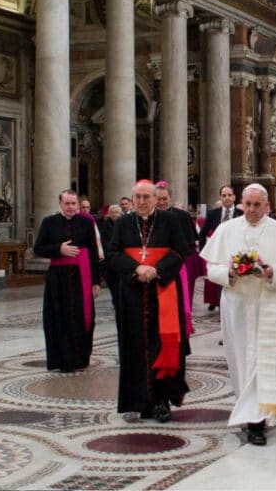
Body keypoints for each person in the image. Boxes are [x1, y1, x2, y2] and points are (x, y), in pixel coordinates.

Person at [200, 184, 276, 446]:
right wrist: (230, 273)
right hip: (235, 303)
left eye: (257, 205)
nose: (251, 210)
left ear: (267, 206)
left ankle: (257, 420)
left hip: (267, 303)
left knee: (262, 359)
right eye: (247, 204)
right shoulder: (227, 230)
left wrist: (272, 272)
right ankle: (246, 406)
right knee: (239, 357)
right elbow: (210, 268)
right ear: (241, 204)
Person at [106, 180, 193, 423]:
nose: (142, 202)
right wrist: (137, 268)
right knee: (132, 345)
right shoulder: (123, 222)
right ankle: (136, 401)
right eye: (138, 197)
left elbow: (180, 252)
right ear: (132, 199)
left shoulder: (170, 221)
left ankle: (161, 401)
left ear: (156, 199)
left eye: (147, 197)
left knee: (163, 345)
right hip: (132, 293)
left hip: (163, 290)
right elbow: (113, 254)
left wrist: (156, 270)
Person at [33, 189, 101, 372]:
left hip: (82, 276)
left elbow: (94, 252)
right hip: (58, 278)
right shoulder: (49, 222)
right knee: (58, 317)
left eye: (73, 203)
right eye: (67, 203)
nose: (71, 207)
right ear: (60, 204)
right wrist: (58, 249)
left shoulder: (86, 222)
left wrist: (96, 281)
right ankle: (61, 360)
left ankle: (81, 358)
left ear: (78, 204)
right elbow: (38, 248)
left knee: (82, 317)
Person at [155, 182, 199, 336]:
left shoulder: (182, 215)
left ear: (170, 198)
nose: (161, 202)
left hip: (176, 264)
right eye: (158, 199)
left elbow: (189, 243)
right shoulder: (149, 216)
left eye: (164, 198)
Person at [199, 185, 243, 312]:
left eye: (229, 195)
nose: (227, 198)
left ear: (234, 197)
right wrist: (204, 253)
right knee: (220, 281)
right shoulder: (213, 214)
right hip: (219, 255)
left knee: (236, 282)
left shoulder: (241, 214)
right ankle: (222, 308)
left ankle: (236, 308)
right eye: (224, 195)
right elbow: (203, 234)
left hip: (237, 256)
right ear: (220, 197)